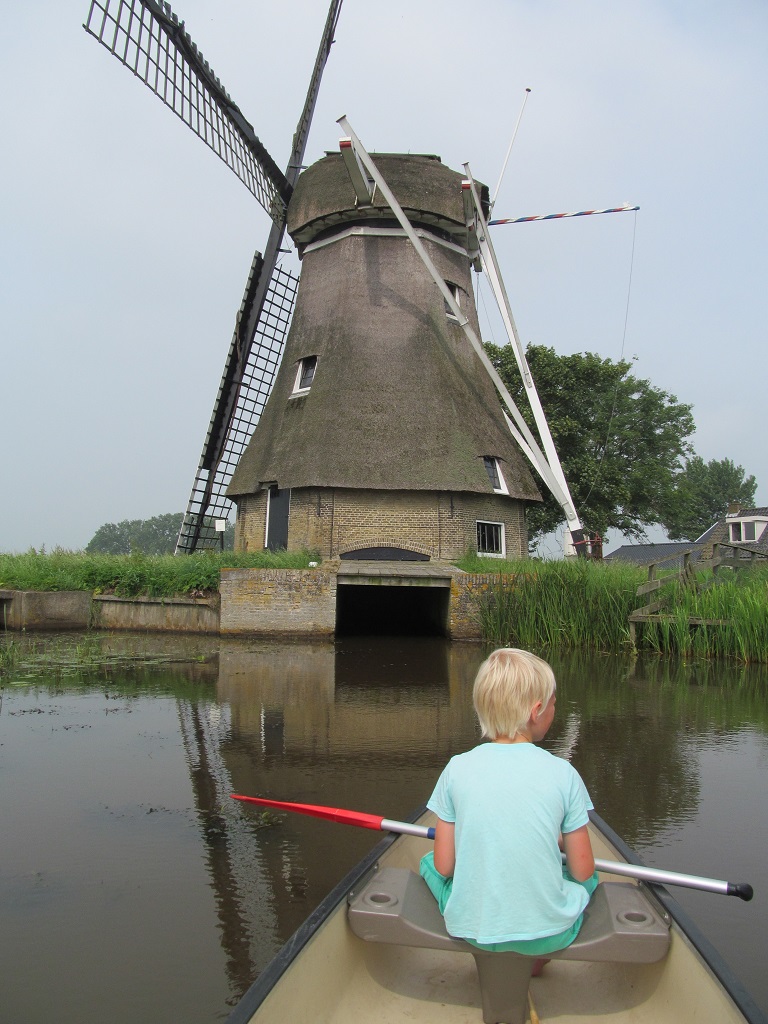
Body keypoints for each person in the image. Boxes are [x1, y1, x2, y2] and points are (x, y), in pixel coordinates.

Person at [419, 648, 598, 971]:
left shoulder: (457, 768)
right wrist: (557, 841)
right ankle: (537, 960)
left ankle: (493, 947)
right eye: (555, 704)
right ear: (537, 710)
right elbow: (582, 870)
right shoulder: (564, 774)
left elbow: (445, 866)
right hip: (551, 934)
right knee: (588, 880)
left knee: (428, 863)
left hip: (473, 932)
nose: (555, 711)